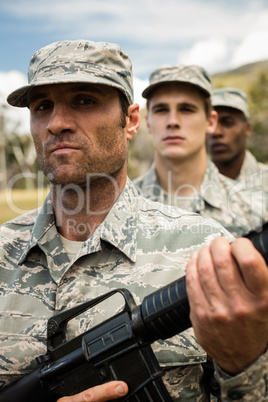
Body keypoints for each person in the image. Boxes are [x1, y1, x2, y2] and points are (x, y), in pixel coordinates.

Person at [0, 40, 267, 402]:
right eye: (42, 106)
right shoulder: (3, 253)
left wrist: (244, 364)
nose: (57, 123)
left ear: (131, 121)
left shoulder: (201, 248)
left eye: (84, 100)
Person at [134, 65, 266, 237]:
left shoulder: (256, 212)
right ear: (148, 123)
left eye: (186, 109)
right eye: (161, 110)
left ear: (210, 122)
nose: (172, 121)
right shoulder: (116, 208)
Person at [207, 87, 268, 181]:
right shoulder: (189, 187)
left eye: (227, 123)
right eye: (210, 124)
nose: (216, 132)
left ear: (247, 128)